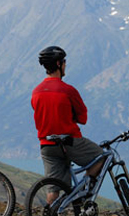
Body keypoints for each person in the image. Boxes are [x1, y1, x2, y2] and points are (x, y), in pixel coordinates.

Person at [31, 46, 104, 206]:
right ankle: (84, 192)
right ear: (58, 64)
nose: (65, 65)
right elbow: (82, 118)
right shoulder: (68, 90)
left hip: (47, 145)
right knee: (101, 157)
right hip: (70, 142)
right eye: (64, 62)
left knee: (53, 188)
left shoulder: (36, 92)